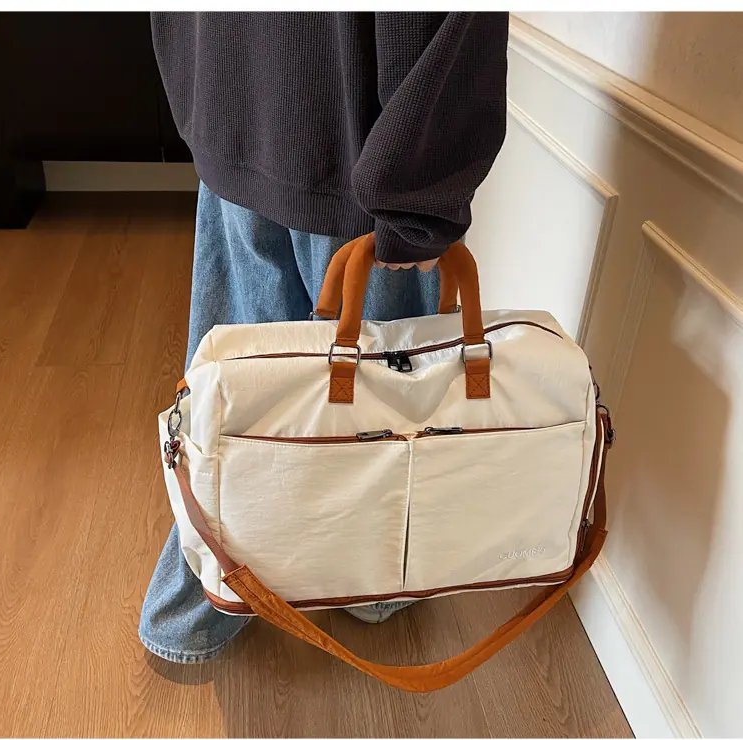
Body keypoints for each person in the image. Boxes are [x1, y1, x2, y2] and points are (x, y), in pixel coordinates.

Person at [140, 11, 509, 664]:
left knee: (238, 412)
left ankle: (205, 598)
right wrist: (420, 193)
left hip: (233, 95)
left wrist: (198, 91)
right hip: (350, 132)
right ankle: (367, 588)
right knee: (380, 421)